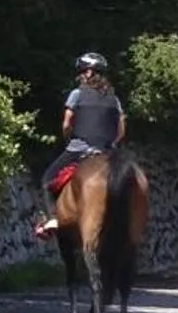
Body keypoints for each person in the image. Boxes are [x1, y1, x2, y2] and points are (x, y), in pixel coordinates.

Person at [33, 52, 127, 238]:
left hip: (79, 148)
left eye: (83, 71)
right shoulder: (114, 99)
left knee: (46, 181)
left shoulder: (77, 94)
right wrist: (110, 144)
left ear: (90, 73)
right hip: (106, 151)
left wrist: (69, 140)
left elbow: (67, 123)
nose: (81, 75)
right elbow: (121, 130)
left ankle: (52, 218)